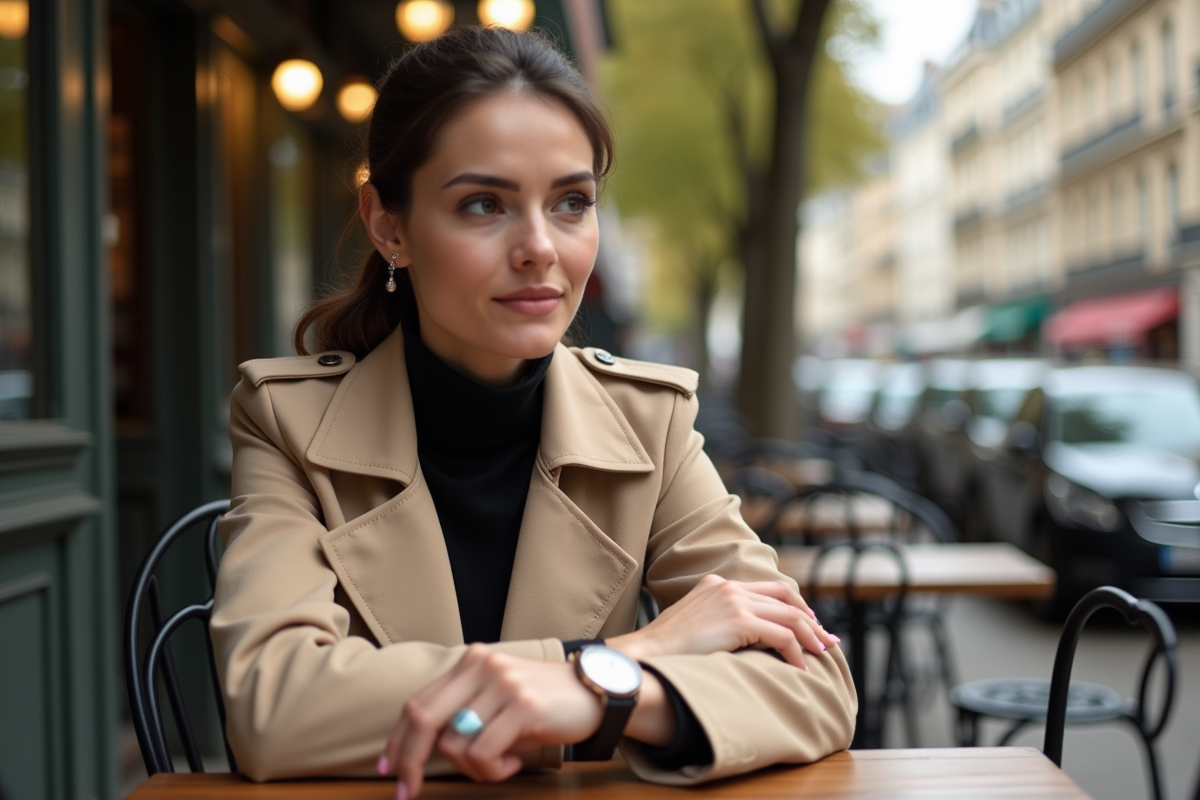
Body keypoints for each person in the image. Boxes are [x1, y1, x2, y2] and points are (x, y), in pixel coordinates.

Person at [210, 25, 855, 798]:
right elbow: (275, 704)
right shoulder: (287, 420)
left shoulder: (646, 423)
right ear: (389, 226)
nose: (540, 248)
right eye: (484, 204)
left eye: (571, 202)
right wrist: (624, 659)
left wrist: (588, 691)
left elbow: (814, 684)